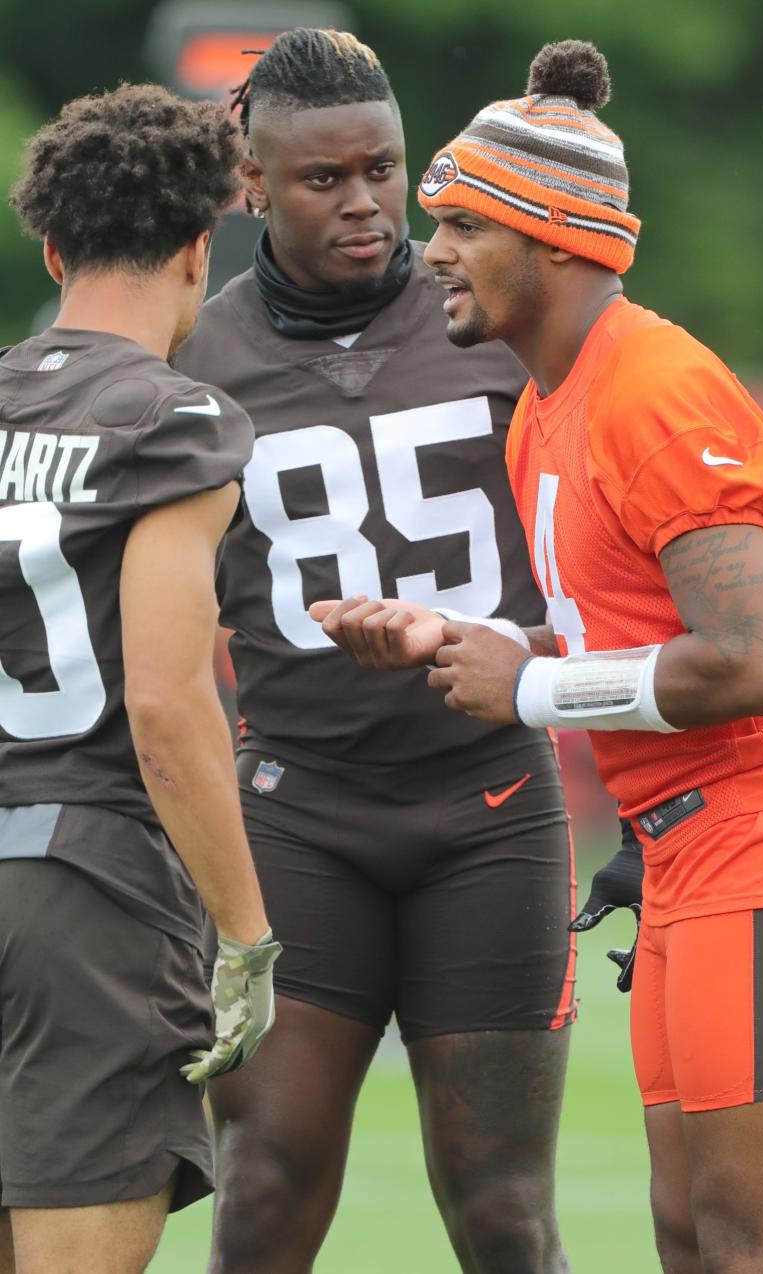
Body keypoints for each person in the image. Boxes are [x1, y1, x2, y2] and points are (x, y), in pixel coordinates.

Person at [319, 39, 763, 1274]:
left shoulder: (653, 388)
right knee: (691, 1235)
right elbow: (630, 633)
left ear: (553, 237)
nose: (429, 249)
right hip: (688, 839)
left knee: (757, 1240)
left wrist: (529, 686)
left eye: (464, 223)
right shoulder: (551, 398)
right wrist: (479, 641)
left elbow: (749, 664)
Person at [173, 28, 576, 1274]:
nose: (363, 203)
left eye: (384, 170)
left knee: (503, 1210)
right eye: (321, 179)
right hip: (299, 813)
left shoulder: (494, 310)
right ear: (252, 186)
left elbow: (592, 559)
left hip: (492, 803)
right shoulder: (199, 355)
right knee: (265, 1194)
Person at [0, 85, 281, 1274]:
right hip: (86, 894)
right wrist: (246, 934)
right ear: (196, 246)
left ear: (53, 246)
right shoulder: (174, 417)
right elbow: (167, 709)